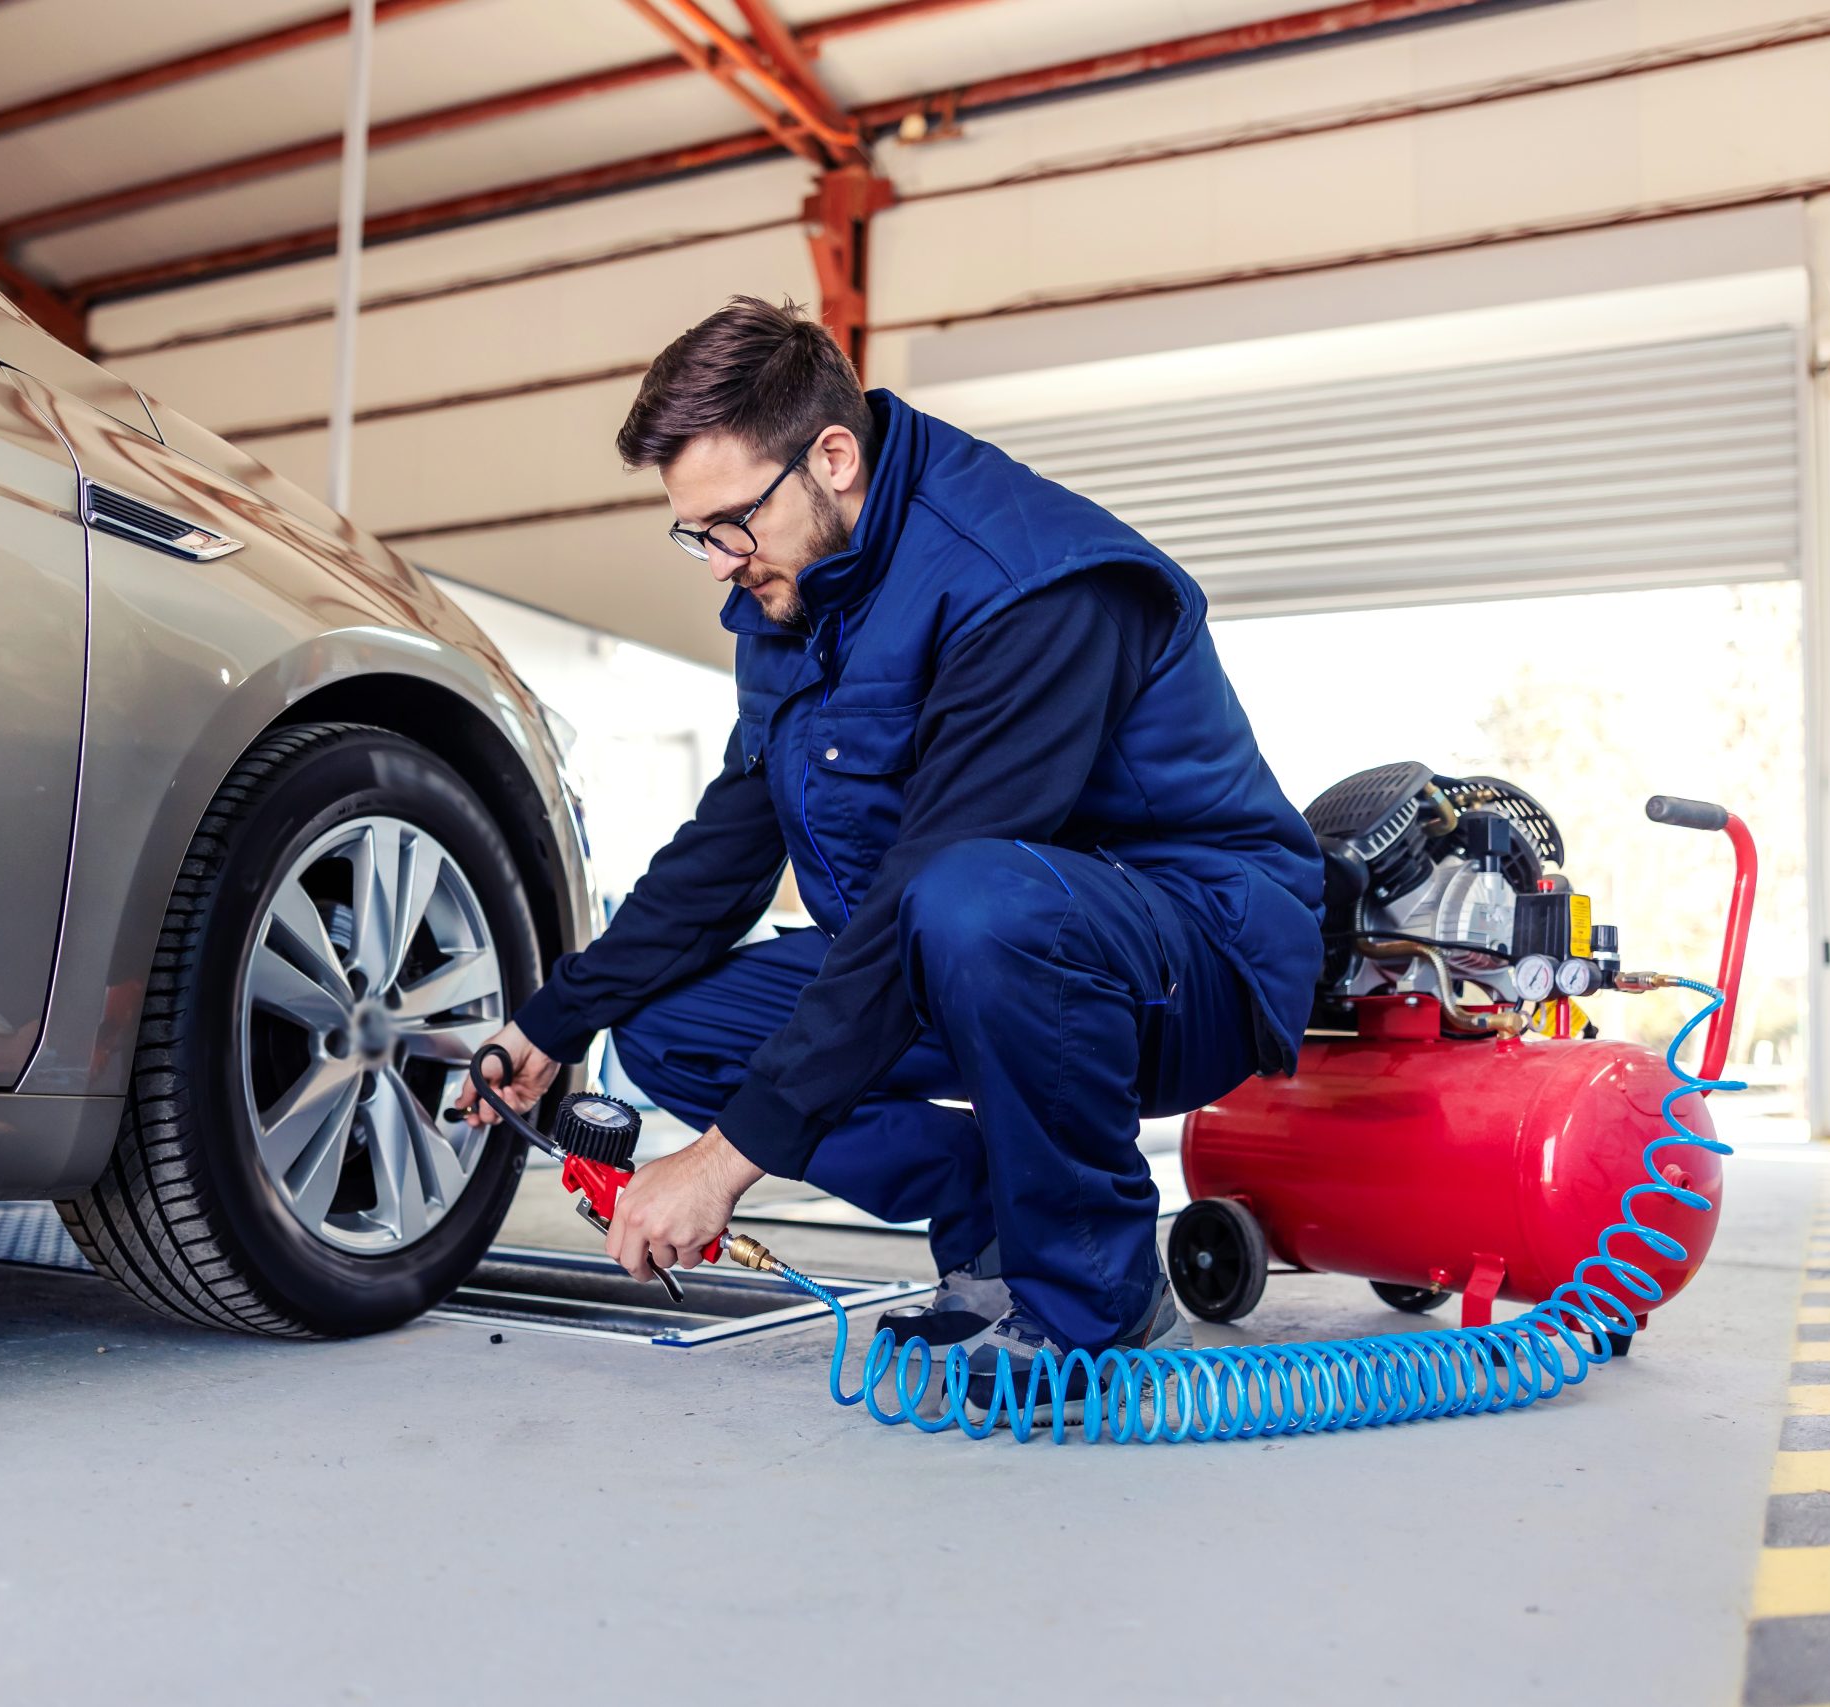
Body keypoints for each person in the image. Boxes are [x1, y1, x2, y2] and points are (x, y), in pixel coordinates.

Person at [454, 296, 1322, 1399]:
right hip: (966, 943)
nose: (718, 561)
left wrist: (723, 1163)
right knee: (670, 1026)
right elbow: (730, 842)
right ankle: (991, 1216)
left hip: (1185, 962)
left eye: (731, 522)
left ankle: (1093, 1300)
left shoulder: (1025, 581)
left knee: (971, 900)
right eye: (695, 532)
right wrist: (553, 1020)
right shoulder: (793, 594)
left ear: (832, 457)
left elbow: (935, 879)